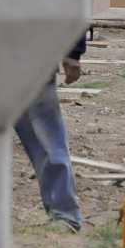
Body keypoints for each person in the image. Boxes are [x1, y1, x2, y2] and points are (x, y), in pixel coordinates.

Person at [15, 35, 87, 232]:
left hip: (32, 57)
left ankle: (64, 213)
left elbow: (71, 4)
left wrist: (73, 52)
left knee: (46, 140)